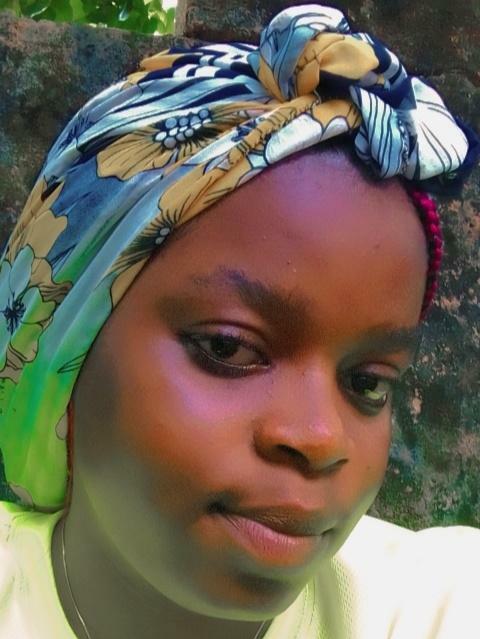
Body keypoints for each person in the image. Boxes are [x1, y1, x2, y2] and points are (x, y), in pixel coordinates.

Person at [0, 4, 478, 638]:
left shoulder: (437, 604)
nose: (321, 438)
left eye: (368, 383)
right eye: (228, 348)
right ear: (61, 353)